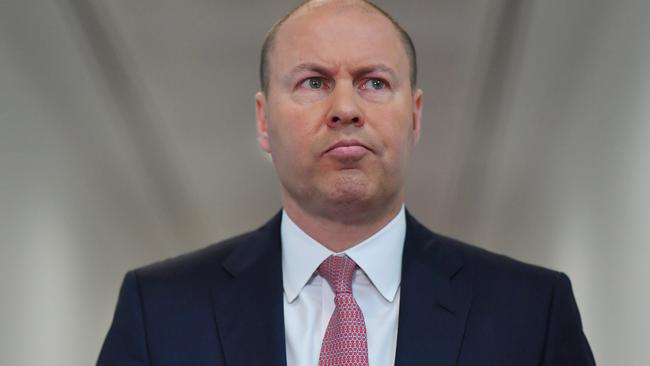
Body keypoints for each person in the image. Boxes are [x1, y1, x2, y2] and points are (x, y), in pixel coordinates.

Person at [97, 1, 595, 365]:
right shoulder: (159, 310)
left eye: (373, 82)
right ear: (264, 121)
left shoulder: (532, 313)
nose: (345, 109)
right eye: (313, 82)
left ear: (415, 117)